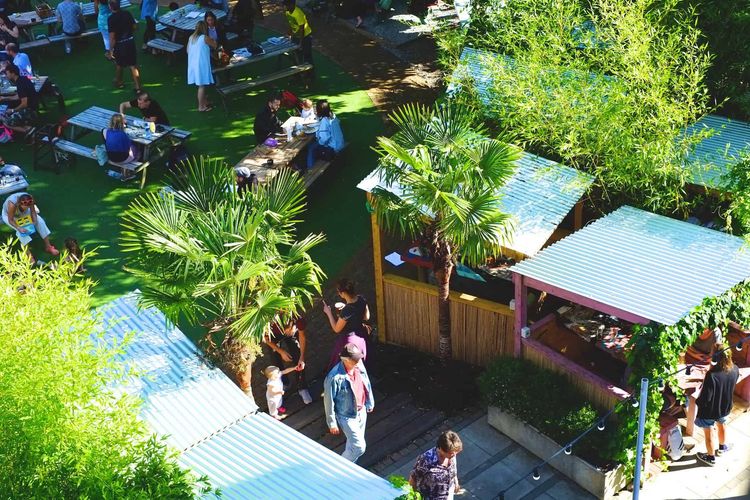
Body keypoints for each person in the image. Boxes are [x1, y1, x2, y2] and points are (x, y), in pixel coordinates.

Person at [323, 343, 374, 463]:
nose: (358, 362)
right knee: (359, 447)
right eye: (355, 360)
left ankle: (351, 469)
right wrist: (332, 423)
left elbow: (366, 381)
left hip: (361, 412)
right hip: (347, 416)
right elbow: (328, 401)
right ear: (346, 360)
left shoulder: (359, 365)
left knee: (352, 445)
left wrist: (369, 401)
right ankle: (340, 467)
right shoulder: (334, 377)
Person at [695, 343, 740, 467]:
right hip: (725, 407)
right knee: (722, 425)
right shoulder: (735, 369)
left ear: (714, 357)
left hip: (710, 410)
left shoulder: (711, 376)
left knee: (709, 433)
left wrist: (697, 402)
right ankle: (722, 447)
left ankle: (710, 457)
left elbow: (705, 398)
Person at [264, 314, 313, 405]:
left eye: (288, 331)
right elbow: (266, 339)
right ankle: (284, 382)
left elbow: (302, 337)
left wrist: (301, 357)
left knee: (297, 352)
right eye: (285, 332)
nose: (285, 333)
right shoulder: (269, 321)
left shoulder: (297, 319)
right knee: (275, 358)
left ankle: (302, 387)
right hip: (273, 336)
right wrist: (281, 351)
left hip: (289, 329)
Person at [323, 278, 371, 369]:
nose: (338, 293)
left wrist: (328, 313)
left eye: (338, 292)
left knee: (344, 366)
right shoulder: (361, 299)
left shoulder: (347, 311)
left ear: (343, 293)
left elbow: (336, 329)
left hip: (350, 341)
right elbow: (366, 317)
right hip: (361, 336)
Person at [2, 192, 59, 261]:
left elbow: (33, 212)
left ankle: (48, 246)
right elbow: (10, 220)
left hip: (23, 213)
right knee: (21, 232)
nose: (27, 208)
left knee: (40, 221)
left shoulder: (30, 199)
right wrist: (19, 228)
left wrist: (34, 222)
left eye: (28, 207)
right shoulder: (12, 204)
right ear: (20, 204)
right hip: (10, 216)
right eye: (25, 207)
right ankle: (28, 254)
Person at [409, 431, 464, 500]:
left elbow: (453, 468)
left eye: (455, 453)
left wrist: (455, 481)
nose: (454, 456)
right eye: (451, 454)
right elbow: (413, 478)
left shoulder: (452, 454)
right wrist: (412, 496)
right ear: (441, 449)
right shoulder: (426, 460)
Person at [108, 0, 142, 91]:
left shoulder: (111, 19)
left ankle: (119, 82)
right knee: (133, 65)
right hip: (130, 42)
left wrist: (110, 50)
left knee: (119, 64)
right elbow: (135, 27)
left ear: (110, 7)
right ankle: (138, 87)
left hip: (120, 44)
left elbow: (112, 37)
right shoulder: (127, 13)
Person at [307, 99, 345, 169]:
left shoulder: (324, 121)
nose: (315, 110)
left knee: (311, 147)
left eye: (316, 109)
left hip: (334, 149)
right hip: (340, 143)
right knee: (315, 145)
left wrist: (318, 140)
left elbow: (324, 139)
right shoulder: (332, 115)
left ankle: (310, 169)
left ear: (320, 110)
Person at [187, 21, 216, 112]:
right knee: (202, 86)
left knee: (201, 85)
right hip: (201, 64)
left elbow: (188, 51)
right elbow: (215, 45)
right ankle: (201, 107)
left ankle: (204, 102)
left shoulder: (191, 37)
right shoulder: (204, 38)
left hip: (193, 64)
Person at [0, 64, 38, 134]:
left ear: (13, 73)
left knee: (6, 122)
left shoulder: (20, 83)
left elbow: (24, 104)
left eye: (7, 73)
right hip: (34, 108)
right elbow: (19, 96)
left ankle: (30, 131)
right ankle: (28, 128)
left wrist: (12, 110)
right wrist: (4, 98)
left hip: (30, 111)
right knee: (6, 115)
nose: (6, 75)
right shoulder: (23, 79)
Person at [284, 0, 312, 68]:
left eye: (287, 5)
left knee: (307, 56)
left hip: (305, 37)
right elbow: (291, 23)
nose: (285, 7)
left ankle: (310, 74)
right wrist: (288, 34)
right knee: (296, 55)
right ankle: (298, 72)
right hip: (296, 36)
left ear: (292, 4)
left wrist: (300, 43)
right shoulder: (287, 12)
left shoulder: (298, 14)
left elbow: (302, 29)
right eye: (285, 5)